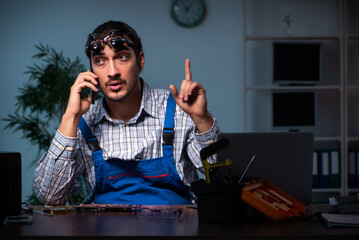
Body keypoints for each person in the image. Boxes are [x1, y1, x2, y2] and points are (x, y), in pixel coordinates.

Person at [33, 20, 220, 206]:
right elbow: (50, 197)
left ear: (140, 61)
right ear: (91, 70)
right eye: (100, 61)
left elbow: (221, 179)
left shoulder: (179, 110)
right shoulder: (82, 123)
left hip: (176, 229)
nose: (112, 72)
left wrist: (202, 119)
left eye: (121, 57)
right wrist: (70, 117)